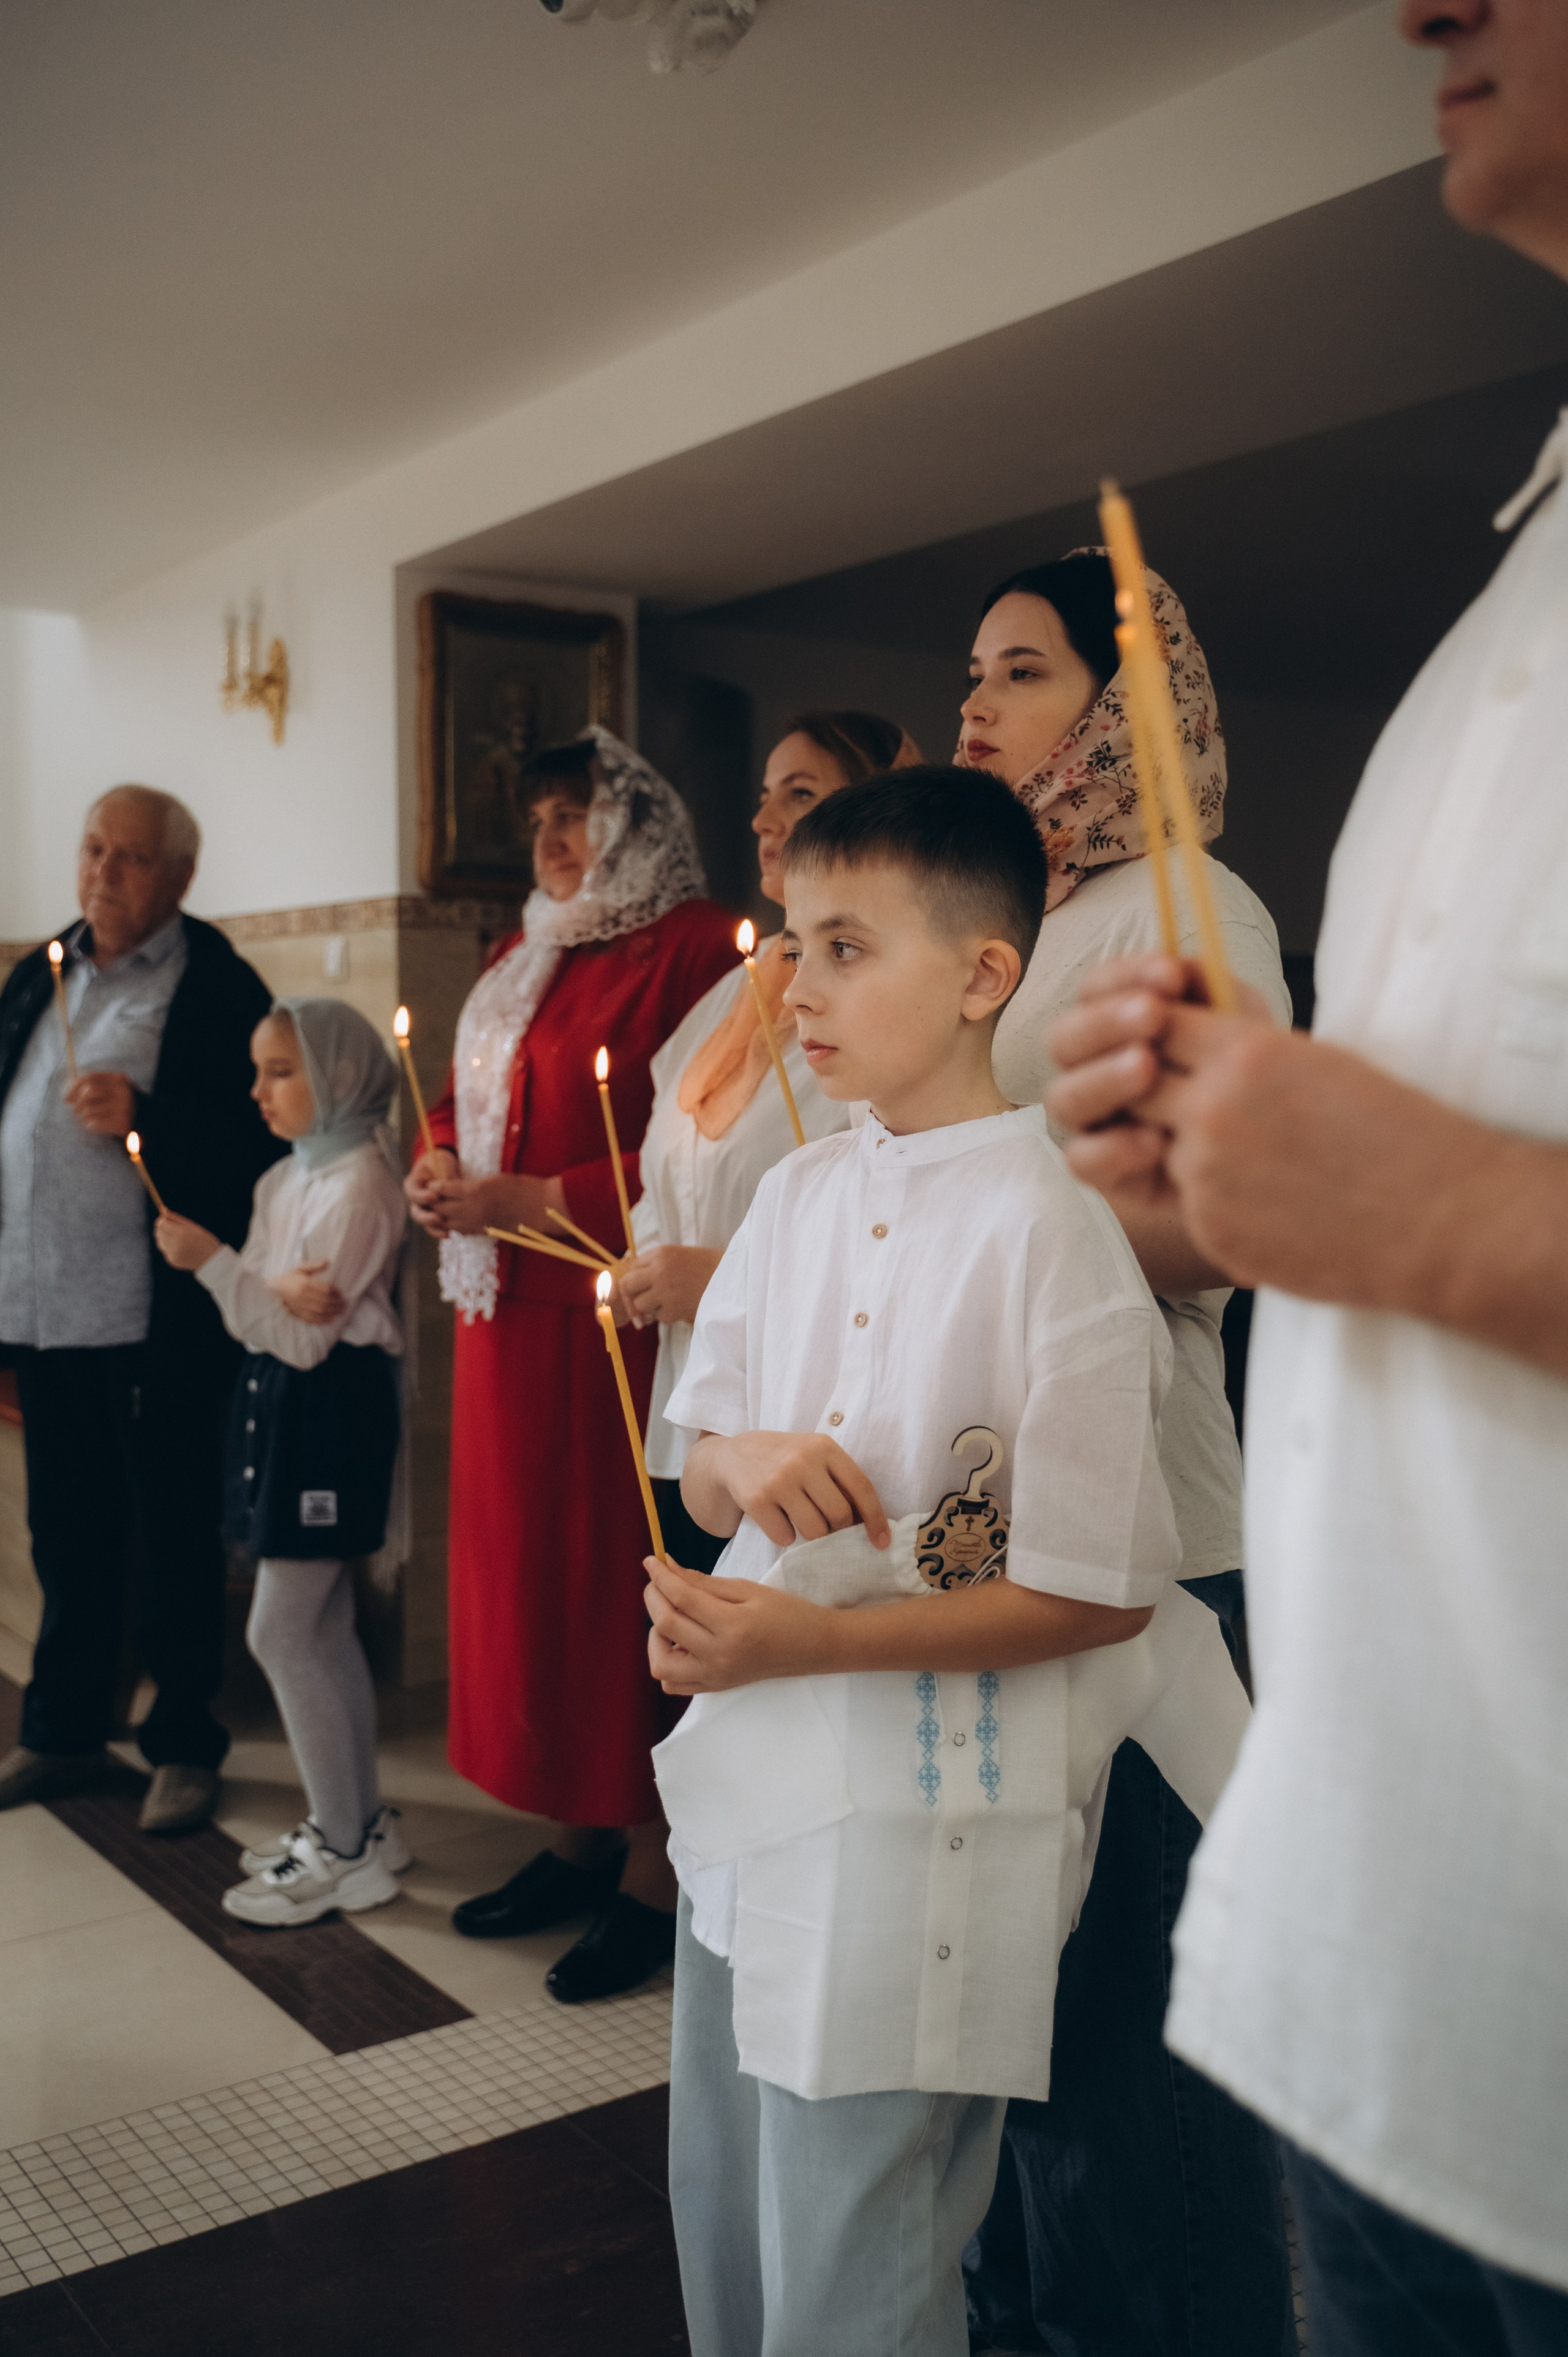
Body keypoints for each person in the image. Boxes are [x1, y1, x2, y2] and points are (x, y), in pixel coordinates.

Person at [1041, 3, 1568, 2345]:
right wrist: (1221, 1193)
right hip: (1405, 1963)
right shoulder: (1504, 609)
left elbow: (1457, 1205)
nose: (1423, 9)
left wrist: (1426, 1205)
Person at [643, 770, 1246, 2357]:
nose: (799, 989)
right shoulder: (794, 1194)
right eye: (793, 947)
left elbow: (1096, 1589)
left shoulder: (1055, 1226)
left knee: (865, 2259)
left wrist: (806, 1645)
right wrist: (742, 1464)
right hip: (754, 1783)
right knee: (732, 2207)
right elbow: (702, 1438)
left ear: (984, 974)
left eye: (847, 948)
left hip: (932, 1807)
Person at [956, 556, 1296, 2352]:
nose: (972, 705)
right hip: (1012, 1530)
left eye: (1019, 670)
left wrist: (991, 1233)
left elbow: (1229, 1219)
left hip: (1154, 1523)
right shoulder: (1022, 911)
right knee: (1030, 2009)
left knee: (1135, 2039)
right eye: (972, 676)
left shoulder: (1189, 903)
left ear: (1122, 703)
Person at [405, 728, 736, 2001]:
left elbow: (699, 1150)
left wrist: (528, 1193)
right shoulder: (522, 946)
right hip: (505, 1326)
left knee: (609, 1590)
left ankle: (651, 1867)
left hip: (610, 1319)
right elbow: (462, 1093)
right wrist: (441, 1164)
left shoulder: (698, 945)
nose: (551, 837)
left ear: (637, 819)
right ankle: (573, 1834)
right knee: (530, 1592)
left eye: (576, 811)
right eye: (539, 815)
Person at [0, 786, 282, 1835]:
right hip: (42, 1305)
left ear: (178, 879)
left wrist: (146, 1118)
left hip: (152, 1317)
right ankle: (64, 1730)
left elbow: (261, 1141)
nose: (101, 875)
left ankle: (183, 1745)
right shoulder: (46, 969)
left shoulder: (216, 983)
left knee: (168, 1531)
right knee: (63, 1529)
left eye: (128, 860)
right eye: (92, 851)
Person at [619, 711, 919, 1562]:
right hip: (697, 1410)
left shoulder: (894, 1001)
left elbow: (892, 1213)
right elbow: (664, 1154)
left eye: (801, 794)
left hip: (808, 1420)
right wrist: (650, 1262)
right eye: (764, 797)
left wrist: (718, 1281)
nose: (763, 821)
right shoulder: (734, 990)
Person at [154, 1000, 408, 1926]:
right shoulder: (283, 1179)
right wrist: (259, 1285)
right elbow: (261, 1319)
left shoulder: (362, 1188)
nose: (257, 1090)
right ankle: (358, 1824)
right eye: (258, 1071)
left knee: (280, 1632)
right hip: (281, 1405)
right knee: (324, 1626)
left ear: (338, 1077)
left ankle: (344, 1851)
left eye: (280, 1072)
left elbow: (304, 1342)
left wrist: (220, 1266)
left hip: (326, 1416)